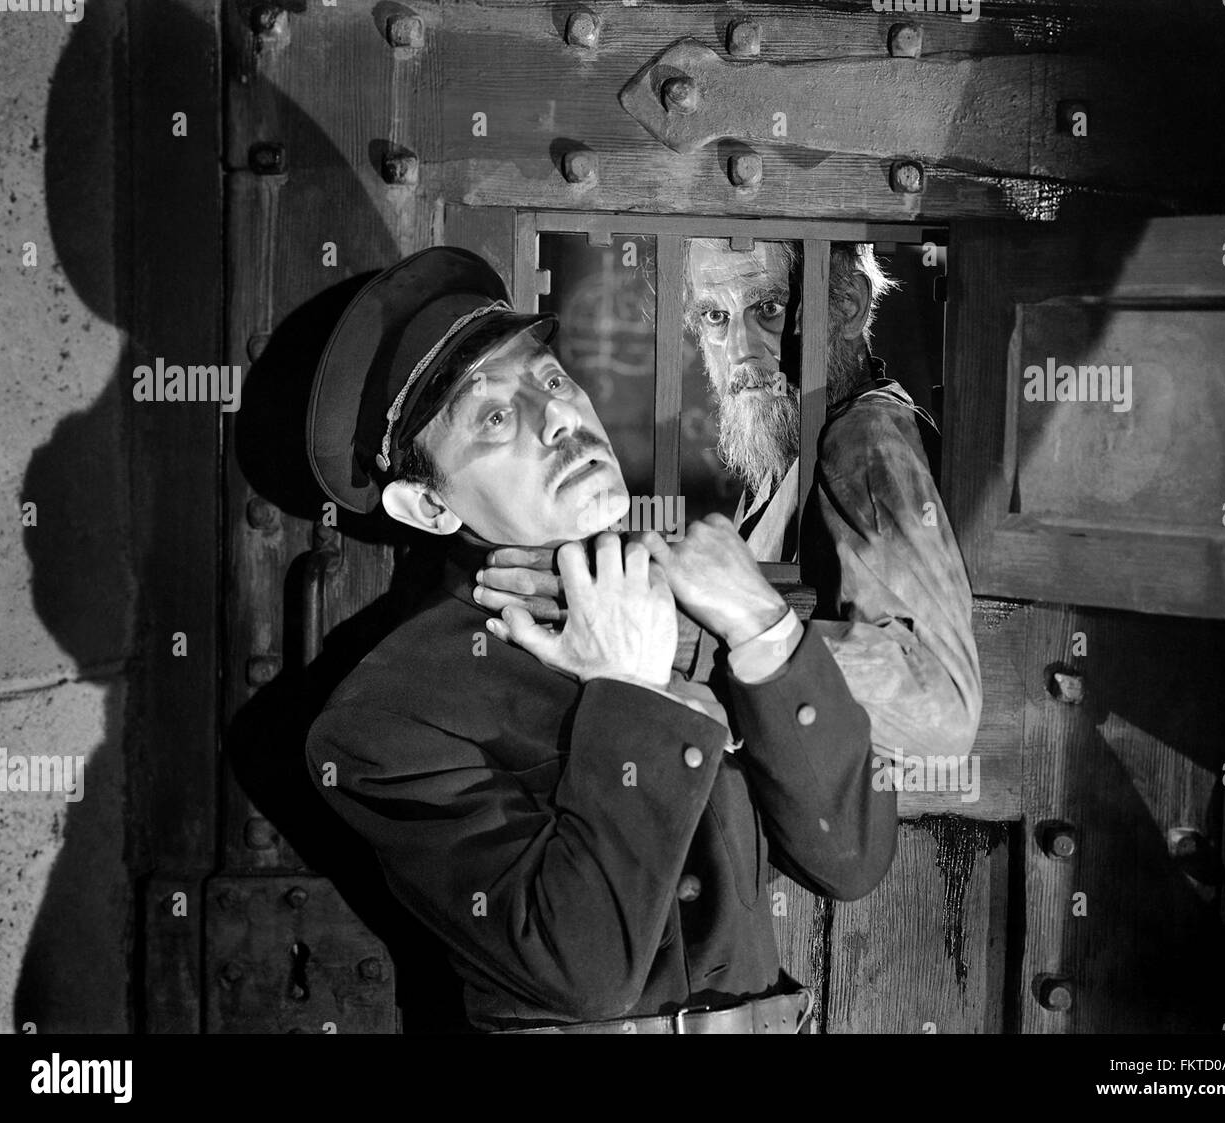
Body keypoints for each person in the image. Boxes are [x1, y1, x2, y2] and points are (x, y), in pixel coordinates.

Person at [303, 246, 897, 1034]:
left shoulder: (698, 604)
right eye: (493, 417)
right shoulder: (387, 718)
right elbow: (583, 972)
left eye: (549, 379)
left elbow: (849, 859)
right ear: (427, 506)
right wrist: (630, 691)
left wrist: (764, 626)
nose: (559, 416)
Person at [478, 239, 981, 766]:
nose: (740, 349)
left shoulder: (864, 437)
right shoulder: (788, 454)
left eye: (768, 308)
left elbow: (938, 706)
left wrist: (665, 628)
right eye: (716, 316)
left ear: (848, 305)